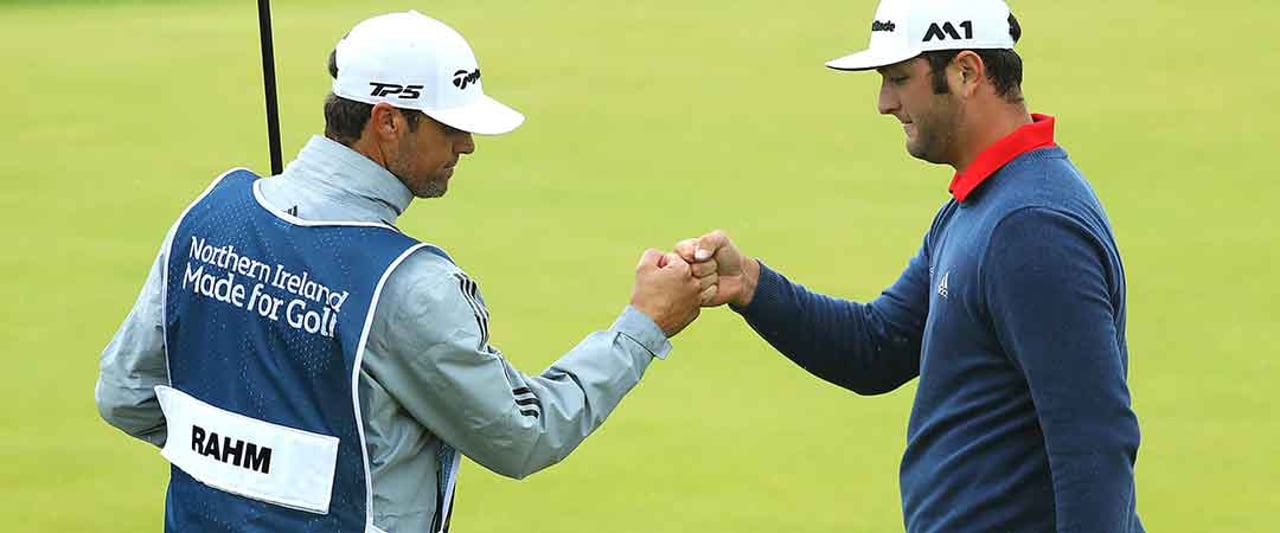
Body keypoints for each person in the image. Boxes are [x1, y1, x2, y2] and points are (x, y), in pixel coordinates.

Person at [96, 11, 709, 533]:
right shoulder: (410, 286)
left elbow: (125, 396)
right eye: (450, 126)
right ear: (389, 121)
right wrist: (642, 326)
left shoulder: (212, 214)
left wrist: (242, 476)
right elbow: (525, 436)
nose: (466, 145)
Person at [676, 0, 1143, 531]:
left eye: (899, 78)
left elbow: (1095, 440)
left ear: (966, 72)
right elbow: (878, 346)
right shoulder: (982, 205)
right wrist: (751, 285)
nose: (883, 102)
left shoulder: (1031, 228)